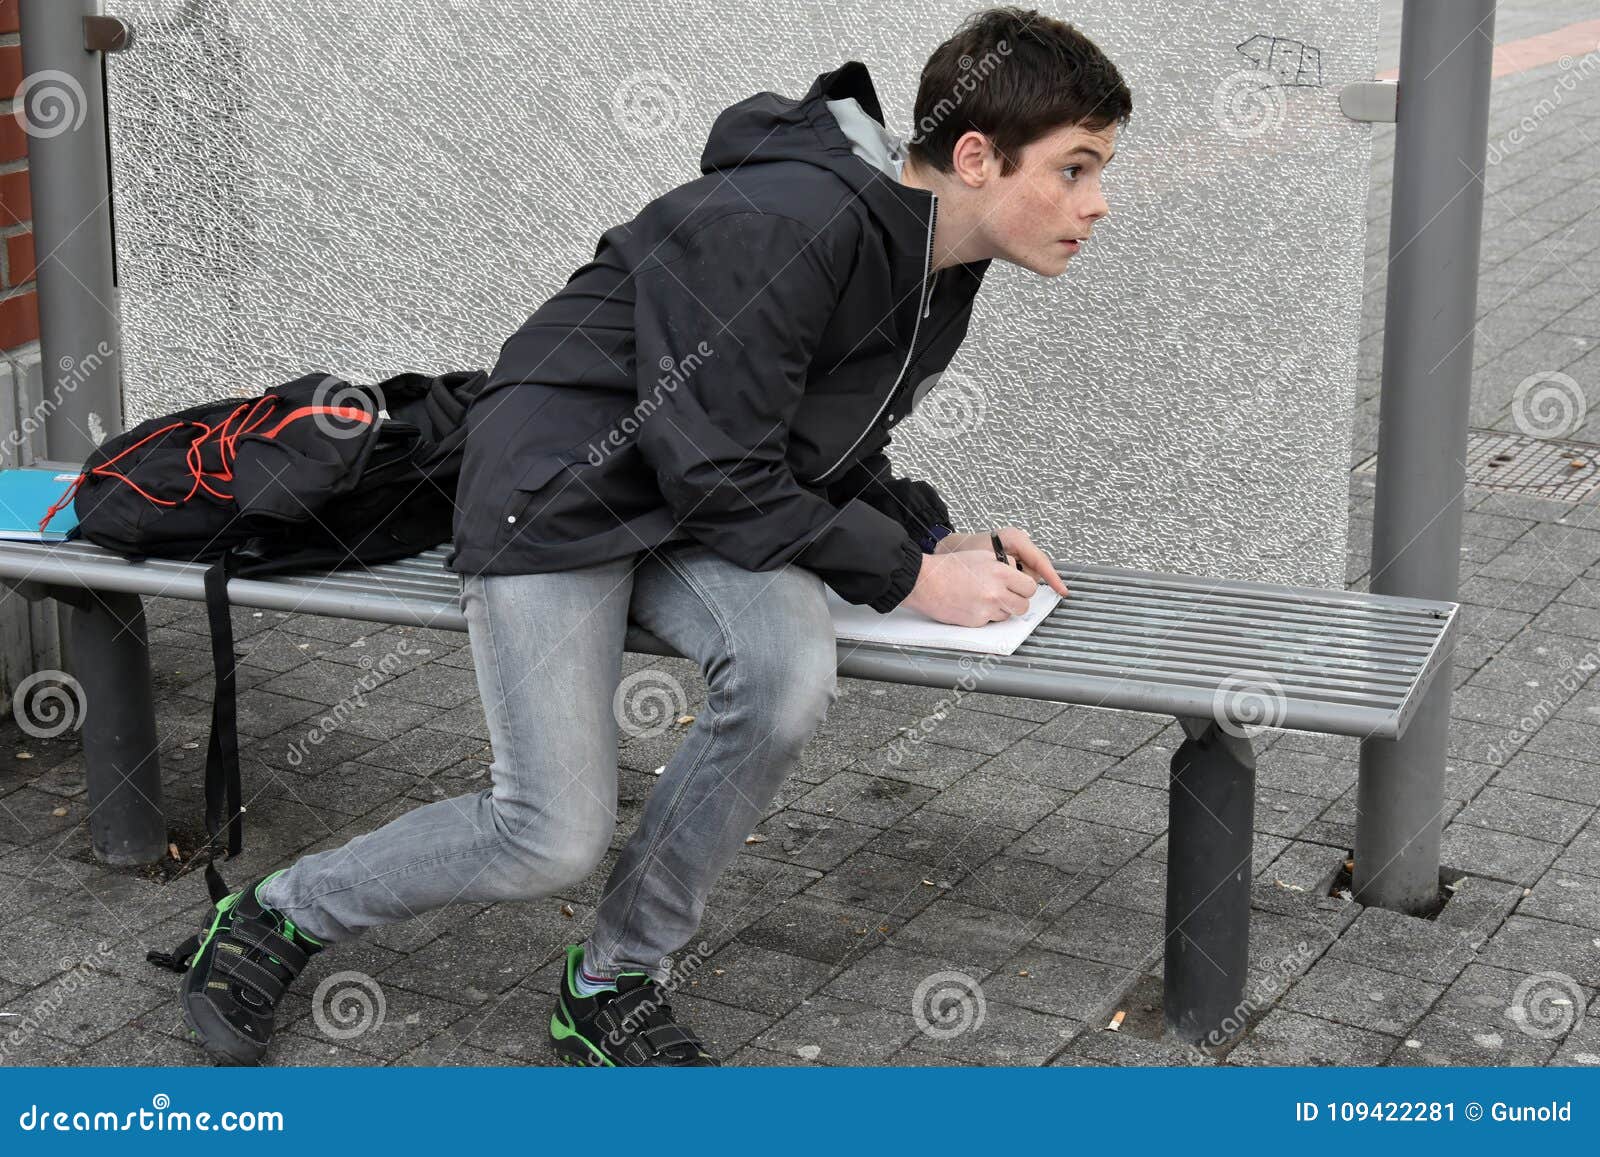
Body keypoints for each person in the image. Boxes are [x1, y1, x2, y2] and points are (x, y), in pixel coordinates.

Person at [172, 5, 1131, 1067]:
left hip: (694, 497)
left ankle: (615, 978)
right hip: (564, 491)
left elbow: (812, 437)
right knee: (547, 833)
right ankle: (279, 911)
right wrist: (905, 576)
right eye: (1076, 169)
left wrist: (935, 534)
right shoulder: (784, 222)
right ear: (975, 154)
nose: (1095, 205)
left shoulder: (939, 261)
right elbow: (723, 463)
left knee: (785, 670)